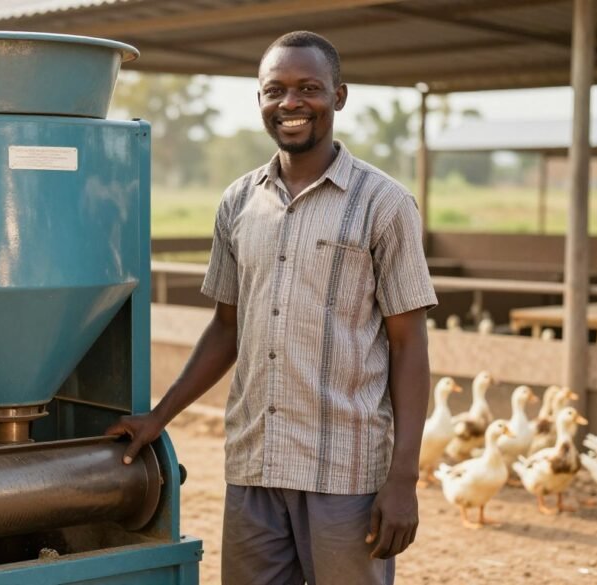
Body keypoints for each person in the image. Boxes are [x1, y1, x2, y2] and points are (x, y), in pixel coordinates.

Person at [106, 30, 436, 585]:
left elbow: (409, 345)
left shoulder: (384, 204)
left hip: (345, 474)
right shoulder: (238, 201)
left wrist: (404, 478)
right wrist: (158, 418)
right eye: (275, 90)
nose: (291, 103)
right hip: (254, 467)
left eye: (309, 88)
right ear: (260, 99)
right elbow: (226, 328)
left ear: (339, 96)